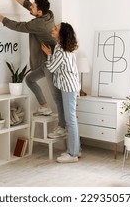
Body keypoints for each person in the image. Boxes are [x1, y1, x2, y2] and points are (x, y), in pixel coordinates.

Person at [0, 0, 66, 138]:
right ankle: (44, 107)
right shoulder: (48, 14)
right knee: (30, 79)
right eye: (32, 6)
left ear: (39, 12)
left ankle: (62, 126)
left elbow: (15, 25)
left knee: (56, 95)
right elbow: (27, 4)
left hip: (52, 61)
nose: (30, 8)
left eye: (33, 7)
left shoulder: (38, 24)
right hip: (47, 60)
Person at [41, 22, 81, 163]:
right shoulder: (61, 47)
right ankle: (75, 150)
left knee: (70, 120)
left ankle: (73, 154)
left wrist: (49, 54)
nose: (53, 29)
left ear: (61, 34)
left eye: (55, 28)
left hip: (68, 87)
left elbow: (51, 68)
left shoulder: (62, 52)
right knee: (71, 120)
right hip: (69, 86)